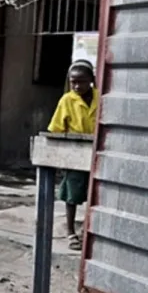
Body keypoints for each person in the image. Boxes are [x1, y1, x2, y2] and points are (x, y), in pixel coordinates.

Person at [47, 59, 98, 251]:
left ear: (91, 80)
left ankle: (87, 229)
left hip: (95, 152)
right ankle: (70, 231)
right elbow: (56, 129)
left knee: (94, 192)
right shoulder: (67, 100)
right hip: (75, 153)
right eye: (73, 82)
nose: (77, 86)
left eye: (82, 81)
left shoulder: (100, 97)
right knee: (72, 194)